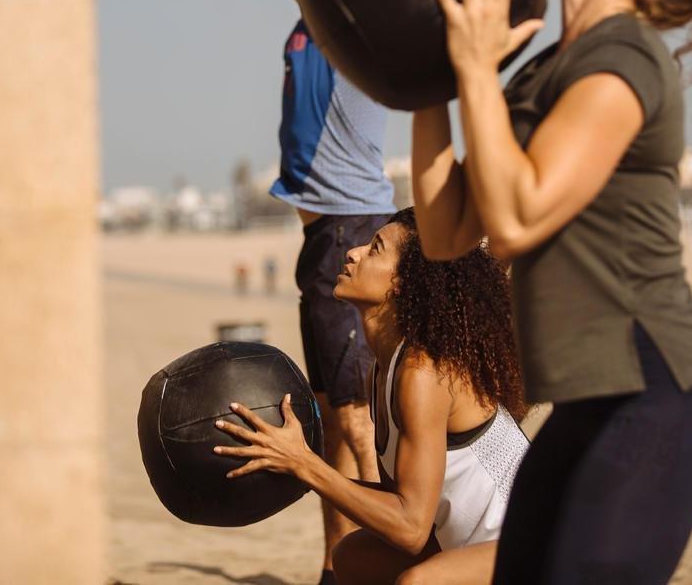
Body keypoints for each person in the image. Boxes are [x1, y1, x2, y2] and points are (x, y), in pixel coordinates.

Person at [415, 0, 692, 583]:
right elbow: (448, 233)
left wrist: (474, 72)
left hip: (660, 391)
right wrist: (431, 81)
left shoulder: (626, 56)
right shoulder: (542, 70)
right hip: (589, 399)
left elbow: (518, 217)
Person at [218, 0, 398, 582]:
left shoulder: (356, 17)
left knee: (355, 424)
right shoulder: (315, 13)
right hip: (326, 238)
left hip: (354, 235)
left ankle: (367, 565)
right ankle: (337, 567)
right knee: (330, 419)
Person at [213, 208, 530, 585]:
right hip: (475, 545)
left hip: (542, 542)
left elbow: (410, 528)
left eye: (375, 249)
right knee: (354, 556)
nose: (353, 252)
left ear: (404, 282)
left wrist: (307, 465)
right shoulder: (382, 370)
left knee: (421, 582)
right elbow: (399, 501)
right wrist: (294, 468)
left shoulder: (422, 373)